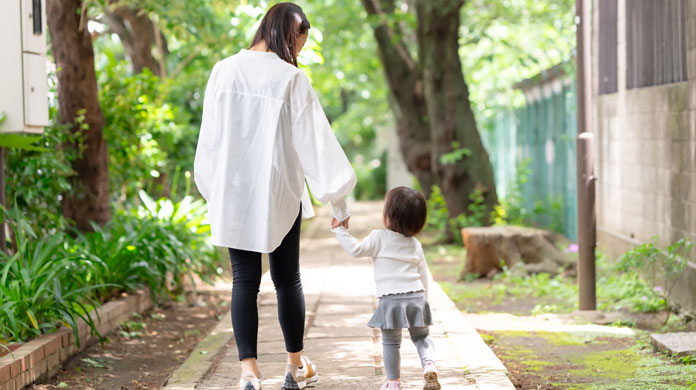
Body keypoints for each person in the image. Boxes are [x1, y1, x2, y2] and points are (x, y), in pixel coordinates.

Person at [193, 3, 356, 389]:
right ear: (290, 32)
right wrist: (339, 203)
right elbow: (316, 143)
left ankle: (248, 373)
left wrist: (212, 191)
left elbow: (209, 140)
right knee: (287, 281)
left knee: (243, 280)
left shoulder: (223, 71)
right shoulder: (291, 79)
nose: (297, 52)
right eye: (299, 43)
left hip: (233, 193)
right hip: (279, 193)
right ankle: (294, 366)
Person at [332, 186, 441, 390]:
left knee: (391, 342)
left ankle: (393, 383)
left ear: (389, 216)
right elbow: (423, 273)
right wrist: (424, 300)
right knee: (422, 336)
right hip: (416, 296)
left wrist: (339, 230)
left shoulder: (378, 237)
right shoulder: (415, 244)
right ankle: (429, 365)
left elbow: (356, 250)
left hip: (391, 299)